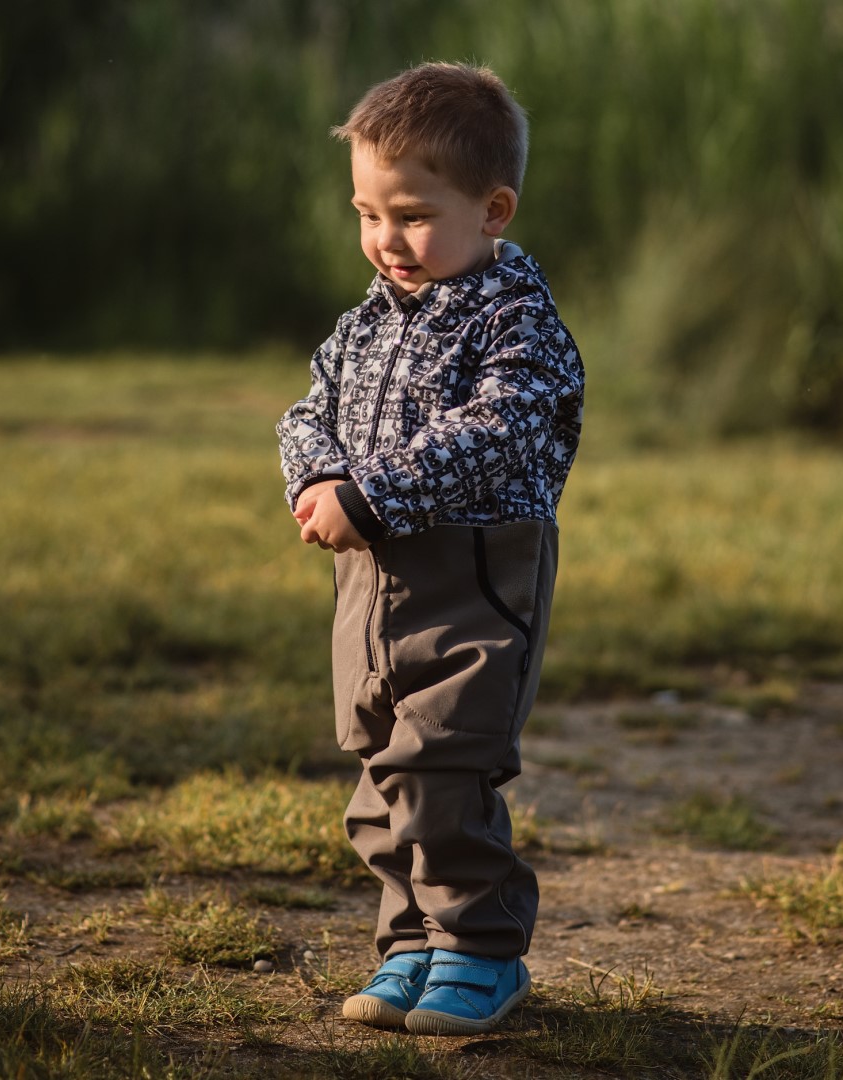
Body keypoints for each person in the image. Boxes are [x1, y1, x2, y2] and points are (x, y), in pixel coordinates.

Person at [276, 61, 584, 1036]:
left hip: (473, 577)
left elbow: (495, 428)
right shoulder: (365, 322)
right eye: (368, 215)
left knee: (445, 764)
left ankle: (480, 951)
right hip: (371, 584)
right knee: (382, 772)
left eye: (411, 216)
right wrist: (316, 477)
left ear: (492, 211)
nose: (384, 240)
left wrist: (370, 494)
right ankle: (410, 943)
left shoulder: (515, 321)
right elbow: (307, 410)